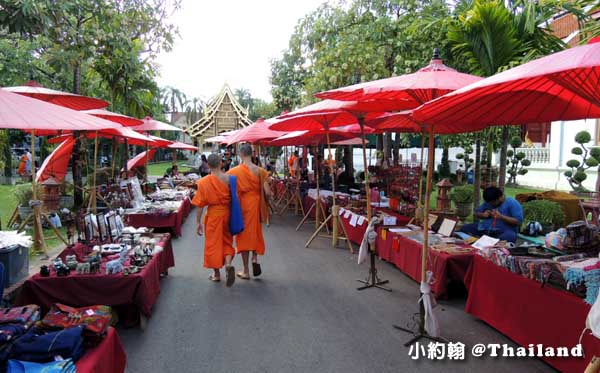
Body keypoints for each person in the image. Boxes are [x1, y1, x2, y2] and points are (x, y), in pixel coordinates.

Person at [227, 144, 271, 279]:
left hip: (242, 206)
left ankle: (245, 270)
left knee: (244, 235)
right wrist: (265, 202)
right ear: (252, 154)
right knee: (255, 232)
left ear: (240, 154)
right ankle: (255, 259)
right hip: (256, 204)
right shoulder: (260, 171)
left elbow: (226, 190)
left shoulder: (233, 172)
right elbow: (268, 192)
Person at [191, 154, 236, 286]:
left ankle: (216, 274)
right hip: (226, 214)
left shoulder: (204, 182)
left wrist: (198, 222)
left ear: (208, 166)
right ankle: (228, 264)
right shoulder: (230, 179)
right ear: (221, 163)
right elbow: (235, 199)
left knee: (213, 244)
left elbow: (200, 204)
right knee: (227, 241)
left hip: (213, 216)